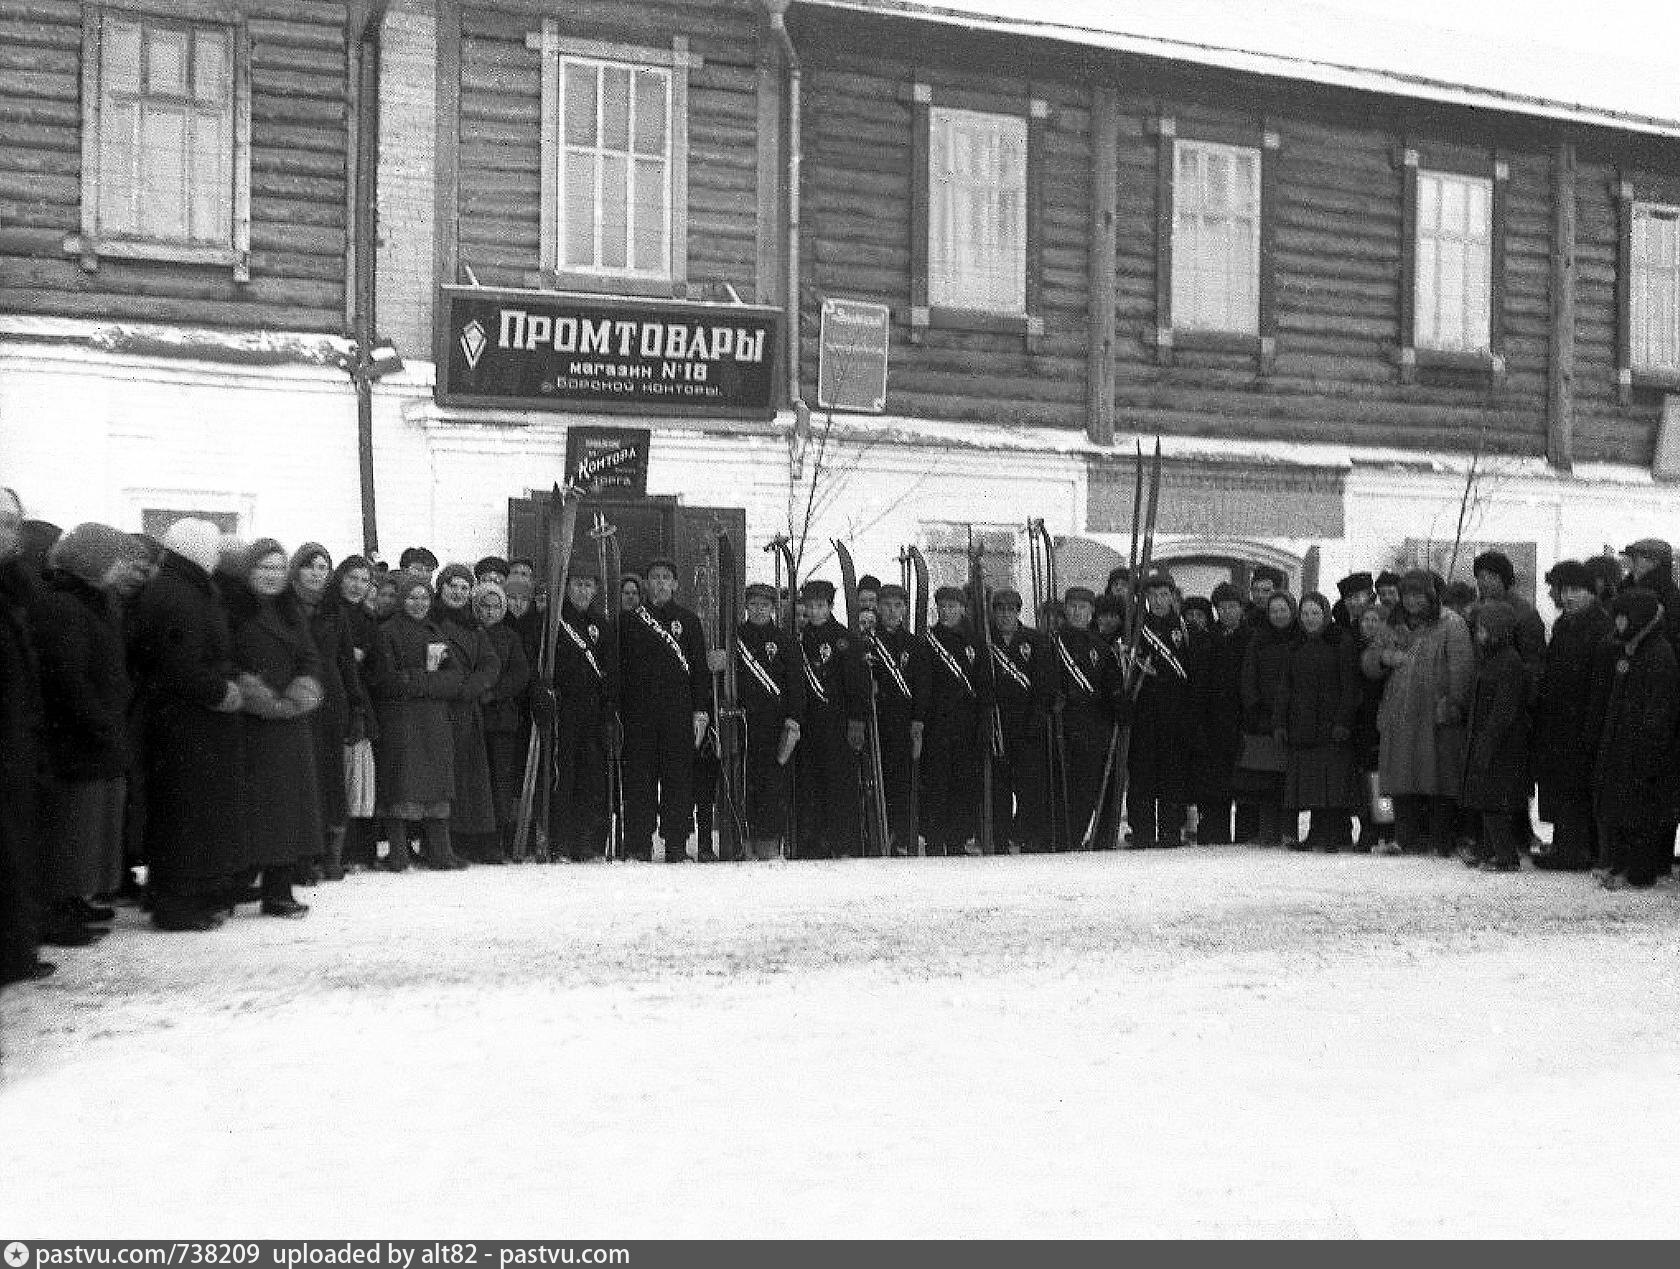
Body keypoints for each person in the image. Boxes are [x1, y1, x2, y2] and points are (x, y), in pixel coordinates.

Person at [129, 518, 246, 931]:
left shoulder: (184, 588)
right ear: (197, 550)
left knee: (190, 813)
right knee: (184, 815)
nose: (217, 556)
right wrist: (220, 691)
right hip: (185, 722)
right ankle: (178, 905)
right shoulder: (179, 594)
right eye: (212, 548)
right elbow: (178, 662)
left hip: (188, 721)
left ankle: (189, 895)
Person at [31, 524, 138, 945]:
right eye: (116, 559)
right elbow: (68, 678)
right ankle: (57, 909)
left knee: (93, 826)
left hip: (100, 730)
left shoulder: (98, 601)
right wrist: (99, 723)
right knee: (72, 827)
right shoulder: (64, 605)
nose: (122, 567)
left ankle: (75, 899)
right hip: (77, 738)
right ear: (93, 561)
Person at [225, 540, 323, 918]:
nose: (272, 576)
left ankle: (278, 888)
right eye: (264, 567)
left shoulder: (289, 610)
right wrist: (258, 696)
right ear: (249, 570)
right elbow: (226, 659)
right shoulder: (233, 609)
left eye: (279, 568)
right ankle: (238, 880)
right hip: (250, 723)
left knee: (287, 810)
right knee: (257, 808)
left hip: (290, 722)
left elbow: (309, 657)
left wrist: (301, 693)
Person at [1363, 570, 1474, 855]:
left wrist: (1453, 704)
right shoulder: (1392, 624)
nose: (1412, 601)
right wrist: (1384, 658)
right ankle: (1405, 837)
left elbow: (1461, 669)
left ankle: (1440, 839)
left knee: (1439, 777)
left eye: (1418, 595)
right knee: (1402, 777)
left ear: (1430, 596)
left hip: (1434, 713)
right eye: (1407, 595)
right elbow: (1369, 661)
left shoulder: (1451, 623)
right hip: (1400, 713)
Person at [370, 575, 467, 871]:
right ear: (402, 599)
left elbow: (454, 678)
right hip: (401, 721)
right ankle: (398, 852)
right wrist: (429, 682)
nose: (419, 603)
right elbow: (387, 679)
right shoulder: (386, 632)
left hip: (434, 721)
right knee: (401, 784)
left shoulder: (434, 631)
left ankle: (440, 851)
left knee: (437, 785)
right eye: (412, 597)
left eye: (424, 597)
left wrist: (415, 680)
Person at [619, 558, 709, 862]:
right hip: (640, 713)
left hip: (677, 712)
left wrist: (700, 709)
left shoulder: (689, 621)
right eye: (655, 577)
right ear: (646, 583)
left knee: (678, 779)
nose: (660, 583)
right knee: (640, 779)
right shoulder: (630, 621)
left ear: (675, 584)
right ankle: (638, 844)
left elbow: (699, 670)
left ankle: (676, 843)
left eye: (666, 577)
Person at [1589, 588, 1680, 890]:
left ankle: (1638, 872)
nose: (1618, 624)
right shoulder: (1630, 649)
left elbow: (1660, 710)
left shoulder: (1658, 654)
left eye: (1623, 618)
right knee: (1622, 810)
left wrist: (1648, 750)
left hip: (1643, 750)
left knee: (1640, 813)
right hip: (1623, 744)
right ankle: (1620, 864)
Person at [0, 486, 54, 985]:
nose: (11, 532)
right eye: (2, 521)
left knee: (15, 852)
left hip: (15, 743)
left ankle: (14, 951)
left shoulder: (17, 587)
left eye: (14, 522)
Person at [1532, 561, 1611, 871]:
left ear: (1591, 592)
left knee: (1576, 787)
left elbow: (1598, 682)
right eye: (1564, 590)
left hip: (1582, 719)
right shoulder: (1565, 624)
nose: (1568, 597)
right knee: (1562, 785)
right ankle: (1566, 845)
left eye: (1576, 590)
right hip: (1560, 719)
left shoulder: (1600, 626)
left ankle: (1576, 850)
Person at [289, 544, 358, 882]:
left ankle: (331, 855)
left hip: (331, 702)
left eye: (323, 567)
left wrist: (355, 705)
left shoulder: (335, 610)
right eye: (310, 566)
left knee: (331, 779)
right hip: (297, 701)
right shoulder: (284, 606)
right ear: (296, 569)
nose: (317, 573)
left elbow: (346, 662)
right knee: (303, 779)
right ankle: (302, 857)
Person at [1277, 592, 1359, 851]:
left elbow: (1349, 686)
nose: (1310, 618)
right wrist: (1280, 723)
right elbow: (1285, 688)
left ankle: (1335, 833)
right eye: (1305, 613)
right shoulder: (1295, 646)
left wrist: (1343, 721)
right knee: (1312, 783)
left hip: (1332, 723)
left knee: (1333, 783)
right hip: (1302, 724)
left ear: (1325, 614)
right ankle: (1315, 832)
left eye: (1315, 613)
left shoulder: (1340, 642)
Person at [431, 563, 501, 863]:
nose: (458, 593)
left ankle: (475, 838)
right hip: (441, 711)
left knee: (472, 779)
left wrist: (474, 686)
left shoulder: (474, 628)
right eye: (452, 586)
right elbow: (435, 665)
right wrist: (457, 685)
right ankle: (446, 841)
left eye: (464, 588)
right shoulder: (431, 621)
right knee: (446, 778)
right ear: (441, 588)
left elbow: (490, 663)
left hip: (467, 711)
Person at [796, 578, 868, 859]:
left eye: (820, 606)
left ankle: (842, 843)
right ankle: (812, 844)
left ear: (829, 606)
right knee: (810, 785)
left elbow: (856, 684)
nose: (815, 612)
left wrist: (856, 721)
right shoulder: (799, 639)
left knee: (839, 785)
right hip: (809, 723)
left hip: (837, 722)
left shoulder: (844, 639)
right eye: (810, 606)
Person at [1458, 601, 1532, 871]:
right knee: (1487, 799)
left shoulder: (1508, 661)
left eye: (1483, 630)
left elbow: (1504, 710)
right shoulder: (1493, 659)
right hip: (1489, 740)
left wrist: (1487, 741)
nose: (1479, 635)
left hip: (1501, 744)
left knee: (1495, 801)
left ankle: (1504, 855)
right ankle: (1490, 851)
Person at [548, 570, 616, 862]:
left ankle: (585, 841)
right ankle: (560, 841)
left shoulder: (601, 624)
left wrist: (609, 706)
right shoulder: (554, 621)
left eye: (588, 585)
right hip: (563, 708)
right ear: (567, 587)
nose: (583, 591)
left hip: (593, 710)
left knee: (590, 777)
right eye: (578, 584)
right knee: (563, 776)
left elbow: (611, 668)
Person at [915, 585, 987, 856]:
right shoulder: (928, 641)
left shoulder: (975, 642)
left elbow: (983, 683)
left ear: (963, 609)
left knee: (962, 783)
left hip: (966, 722)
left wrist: (983, 719)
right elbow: (923, 684)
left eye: (952, 607)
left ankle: (957, 839)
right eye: (943, 607)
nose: (947, 612)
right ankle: (934, 839)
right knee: (936, 783)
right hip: (937, 721)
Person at [1126, 568, 1195, 849]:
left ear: (1172, 597)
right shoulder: (1136, 628)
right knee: (1142, 773)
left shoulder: (1184, 628)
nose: (1157, 600)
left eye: (1163, 594)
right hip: (1144, 710)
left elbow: (1190, 668)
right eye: (1153, 595)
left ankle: (1170, 830)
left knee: (1172, 773)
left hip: (1174, 710)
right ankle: (1142, 831)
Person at [735, 582, 804, 860]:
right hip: (742, 724)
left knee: (772, 786)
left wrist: (793, 720)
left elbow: (796, 685)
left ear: (773, 608)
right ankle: (743, 840)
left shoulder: (784, 641)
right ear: (746, 606)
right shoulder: (735, 637)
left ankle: (768, 841)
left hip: (774, 725)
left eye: (764, 605)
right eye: (753, 604)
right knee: (743, 783)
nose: (759, 610)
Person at [1048, 586, 1119, 849]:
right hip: (1062, 725)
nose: (1077, 612)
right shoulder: (1051, 643)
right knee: (1060, 787)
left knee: (1087, 787)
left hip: (1092, 726)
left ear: (1091, 613)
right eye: (1073, 607)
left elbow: (1110, 685)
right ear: (1065, 610)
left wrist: (1118, 700)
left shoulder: (1101, 647)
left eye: (1083, 608)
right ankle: (1061, 839)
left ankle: (1082, 836)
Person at [327, 555, 381, 870]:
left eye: (364, 580)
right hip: (332, 699)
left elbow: (376, 667)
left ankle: (355, 850)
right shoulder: (329, 611)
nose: (357, 585)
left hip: (359, 702)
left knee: (357, 778)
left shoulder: (368, 619)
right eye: (352, 578)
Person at [473, 580, 531, 861]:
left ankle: (497, 838)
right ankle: (473, 837)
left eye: (496, 607)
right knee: (476, 779)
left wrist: (495, 693)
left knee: (501, 780)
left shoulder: (510, 637)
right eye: (485, 606)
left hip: (502, 719)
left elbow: (520, 674)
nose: (491, 612)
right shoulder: (471, 633)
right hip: (473, 717)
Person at [989, 588, 1049, 853]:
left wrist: (1036, 719)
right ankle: (999, 839)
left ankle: (1030, 836)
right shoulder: (986, 640)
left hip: (1027, 723)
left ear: (1018, 612)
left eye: (1010, 610)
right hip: (998, 724)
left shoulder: (1035, 640)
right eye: (1000, 609)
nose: (1005, 615)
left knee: (1029, 787)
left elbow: (1043, 684)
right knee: (999, 787)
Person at [1235, 591, 1299, 845]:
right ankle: (1267, 831)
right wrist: (1255, 708)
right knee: (1265, 780)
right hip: (1263, 718)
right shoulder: (1258, 640)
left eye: (1283, 610)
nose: (1278, 615)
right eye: (1274, 611)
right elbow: (1248, 677)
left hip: (1293, 719)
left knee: (1289, 781)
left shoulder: (1300, 638)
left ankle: (1288, 831)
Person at [1190, 582, 1248, 844]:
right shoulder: (1207, 638)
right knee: (1213, 781)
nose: (1227, 612)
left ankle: (1246, 834)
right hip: (1212, 718)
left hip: (1240, 717)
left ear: (1241, 609)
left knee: (1244, 781)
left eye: (1232, 607)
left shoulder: (1249, 637)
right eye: (1222, 608)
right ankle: (1213, 832)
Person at [867, 583, 916, 854]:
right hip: (877, 721)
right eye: (886, 605)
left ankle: (901, 837)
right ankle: (878, 835)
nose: (892, 611)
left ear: (904, 609)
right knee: (877, 779)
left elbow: (920, 685)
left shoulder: (913, 644)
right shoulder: (867, 641)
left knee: (901, 780)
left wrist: (917, 720)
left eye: (897, 606)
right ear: (877, 607)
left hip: (902, 721)